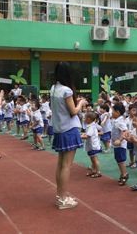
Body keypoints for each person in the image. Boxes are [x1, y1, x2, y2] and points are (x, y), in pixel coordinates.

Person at [51, 62, 87, 210]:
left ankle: (60, 195)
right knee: (67, 166)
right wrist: (81, 103)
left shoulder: (54, 88)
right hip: (69, 128)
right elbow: (73, 112)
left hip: (59, 129)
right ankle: (64, 198)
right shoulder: (67, 90)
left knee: (60, 164)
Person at [111, 102, 129, 186]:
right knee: (118, 160)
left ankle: (125, 174)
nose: (111, 113)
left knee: (121, 161)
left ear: (117, 112)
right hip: (116, 145)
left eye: (113, 111)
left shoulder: (120, 121)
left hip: (121, 145)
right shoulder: (116, 120)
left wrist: (120, 140)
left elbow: (125, 131)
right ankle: (122, 173)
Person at [81, 111, 102, 178]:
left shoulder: (91, 126)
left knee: (94, 159)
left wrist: (80, 136)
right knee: (92, 159)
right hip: (91, 145)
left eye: (85, 118)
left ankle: (98, 172)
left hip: (93, 146)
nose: (84, 119)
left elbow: (88, 136)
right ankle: (94, 170)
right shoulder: (91, 125)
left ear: (89, 119)